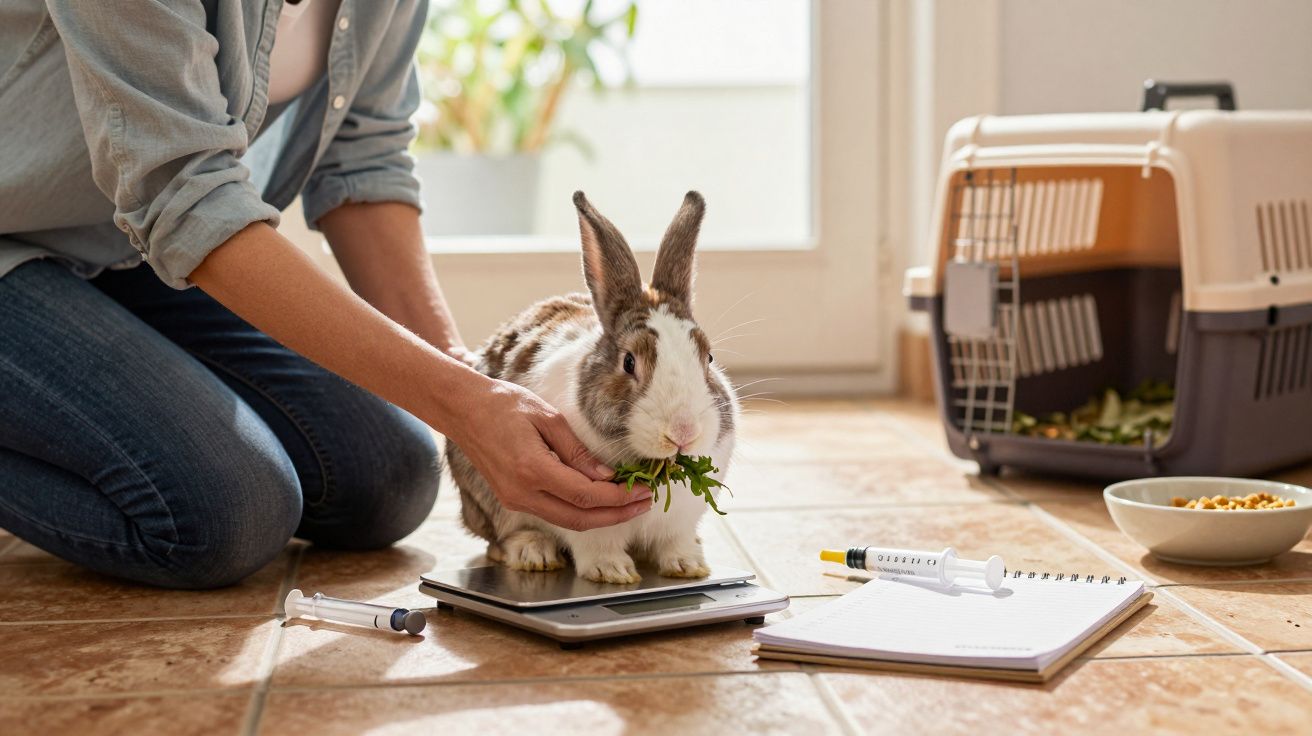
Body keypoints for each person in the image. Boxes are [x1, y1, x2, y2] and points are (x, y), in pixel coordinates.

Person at [0, 0, 652, 589]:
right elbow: (184, 192)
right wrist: (467, 405)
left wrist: (471, 384)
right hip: (22, 239)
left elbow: (361, 157)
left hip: (119, 248)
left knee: (387, 478)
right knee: (226, 511)